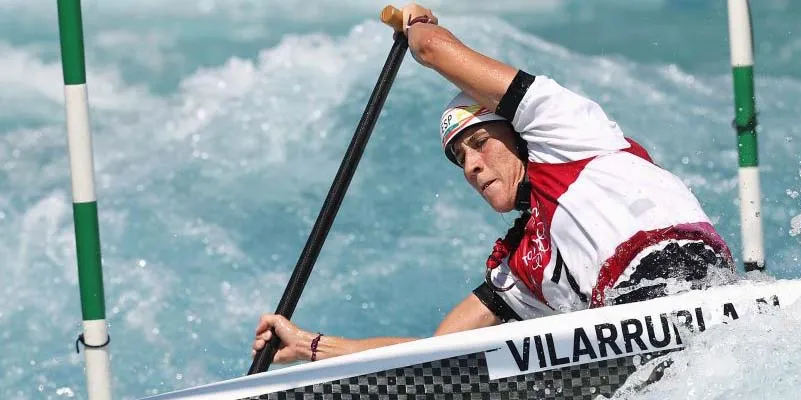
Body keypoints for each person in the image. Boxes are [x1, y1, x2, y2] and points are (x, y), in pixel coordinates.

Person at [252, 3, 735, 364]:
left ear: (521, 134)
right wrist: (313, 347)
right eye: (460, 158)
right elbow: (438, 355)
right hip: (628, 330)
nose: (472, 166)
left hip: (685, 277)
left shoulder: (568, 133)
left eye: (481, 142)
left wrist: (417, 21)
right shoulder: (527, 261)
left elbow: (431, 49)